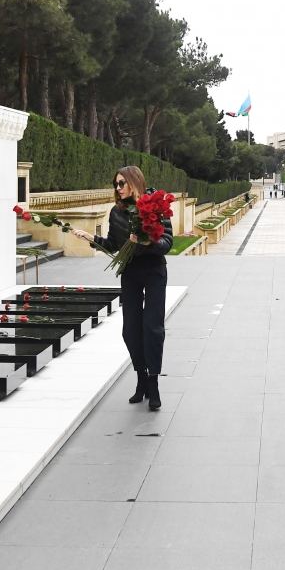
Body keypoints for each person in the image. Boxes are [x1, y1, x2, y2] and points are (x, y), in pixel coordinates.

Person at [72, 166, 173, 410]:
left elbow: (167, 242)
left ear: (134, 182)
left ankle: (154, 383)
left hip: (154, 270)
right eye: (115, 185)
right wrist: (91, 239)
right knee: (130, 330)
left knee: (153, 328)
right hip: (130, 272)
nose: (118, 189)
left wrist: (147, 242)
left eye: (121, 184)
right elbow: (113, 245)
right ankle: (141, 379)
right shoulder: (116, 213)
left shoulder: (155, 206)